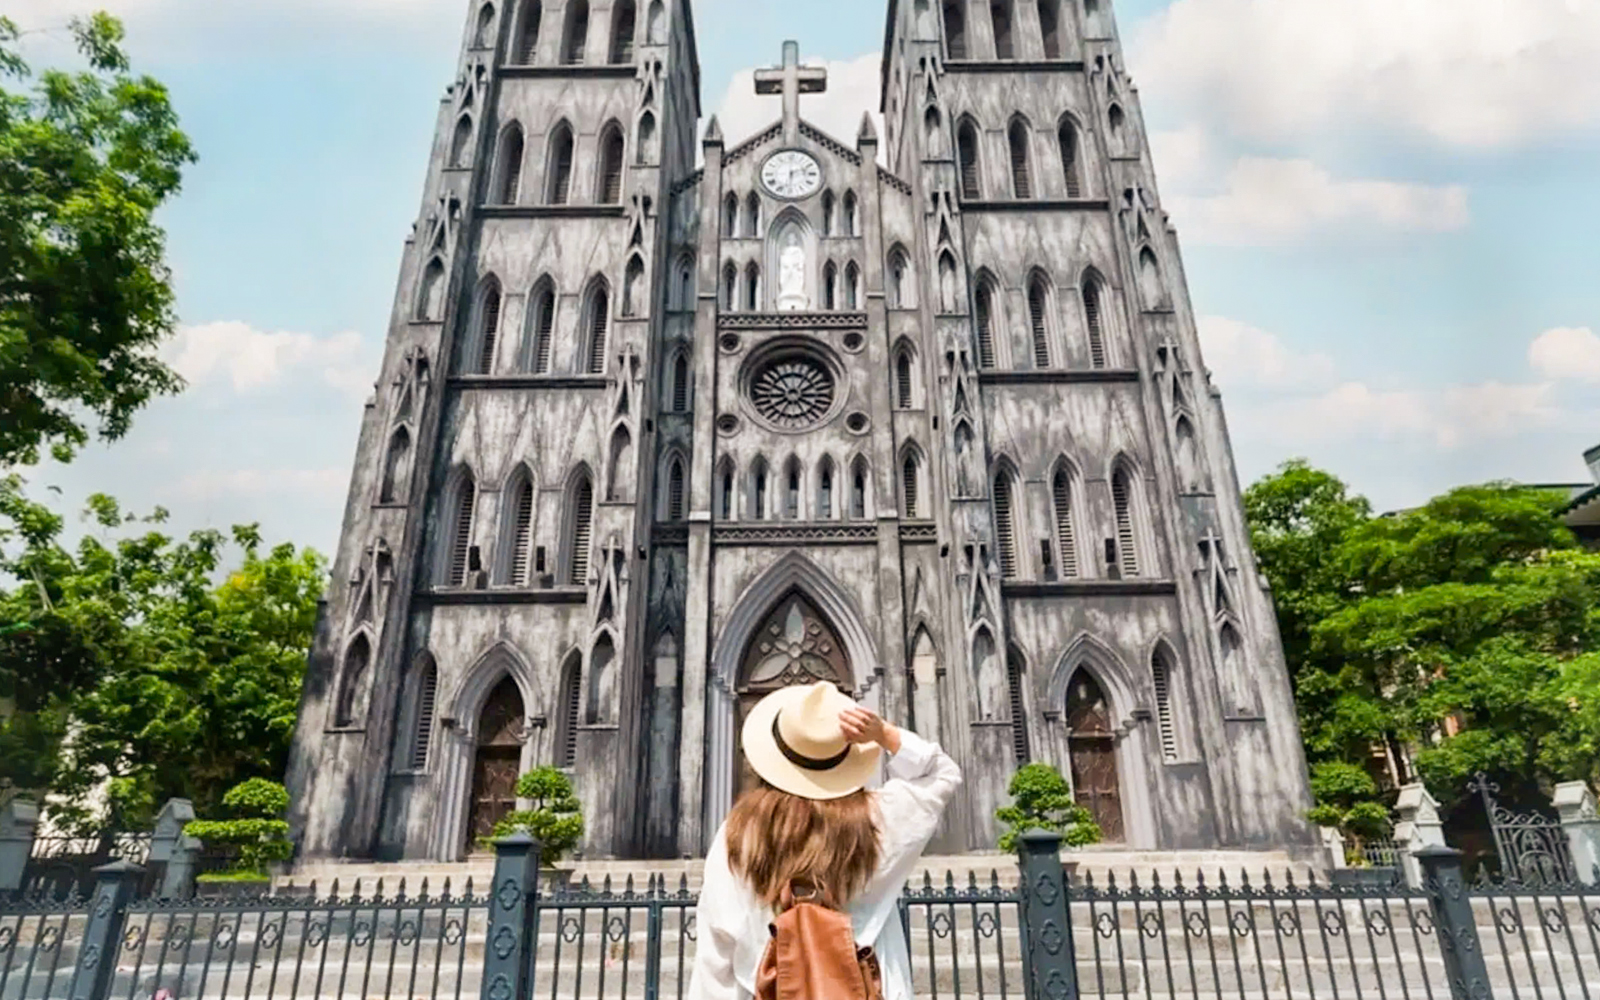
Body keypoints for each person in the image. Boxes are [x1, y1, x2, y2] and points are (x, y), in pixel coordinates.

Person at [688, 681, 963, 1000]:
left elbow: (717, 946)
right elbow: (942, 774)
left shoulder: (738, 833)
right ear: (845, 758)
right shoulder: (878, 821)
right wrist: (882, 733)